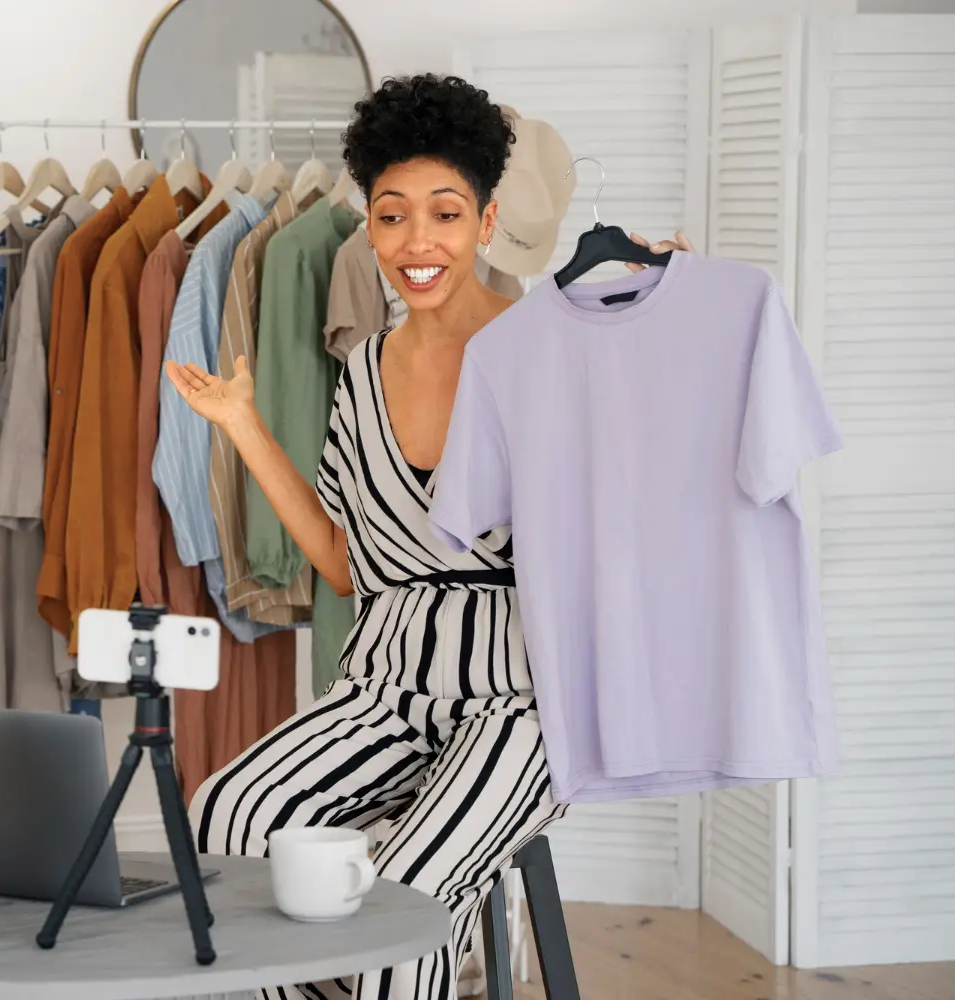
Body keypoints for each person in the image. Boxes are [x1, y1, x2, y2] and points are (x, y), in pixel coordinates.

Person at [166, 73, 693, 1000]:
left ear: (485, 225)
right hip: (386, 684)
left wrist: (660, 325)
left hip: (525, 701)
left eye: (445, 214)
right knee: (229, 817)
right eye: (392, 215)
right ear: (367, 227)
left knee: (400, 901)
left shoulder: (557, 347)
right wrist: (244, 426)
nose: (418, 242)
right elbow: (339, 564)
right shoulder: (362, 371)